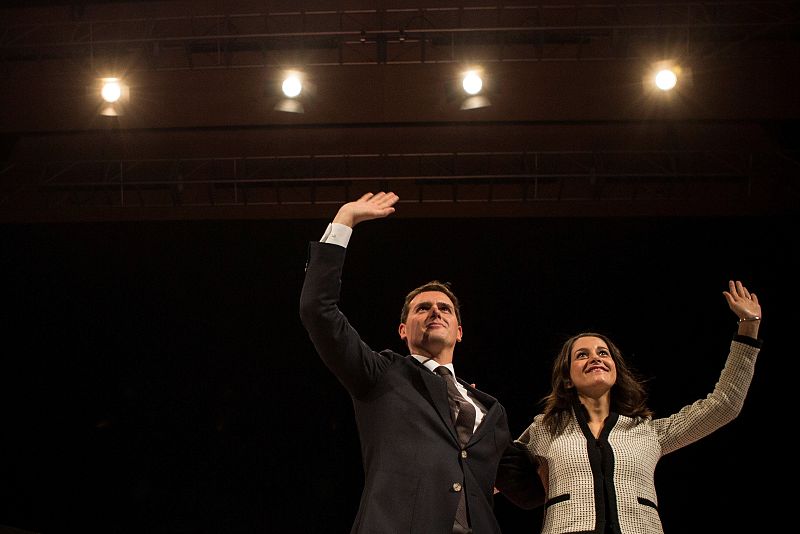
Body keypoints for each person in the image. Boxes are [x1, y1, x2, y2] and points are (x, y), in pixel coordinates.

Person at [299, 191, 544, 534]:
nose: (435, 312)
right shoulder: (382, 375)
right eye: (422, 308)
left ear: (459, 331)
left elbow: (528, 491)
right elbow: (318, 312)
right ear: (403, 329)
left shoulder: (491, 411)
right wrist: (345, 220)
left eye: (445, 308)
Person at [507, 280, 762, 534]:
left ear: (616, 369)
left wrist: (749, 327)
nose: (595, 357)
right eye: (582, 355)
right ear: (567, 379)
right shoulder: (544, 428)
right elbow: (487, 468)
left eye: (603, 353)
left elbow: (724, 404)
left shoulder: (649, 432)